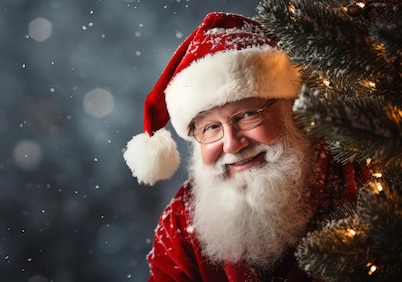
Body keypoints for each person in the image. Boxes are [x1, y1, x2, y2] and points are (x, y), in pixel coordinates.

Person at [122, 12, 370, 281]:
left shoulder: (362, 175)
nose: (232, 144)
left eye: (248, 115)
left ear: (293, 110)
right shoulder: (181, 223)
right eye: (211, 128)